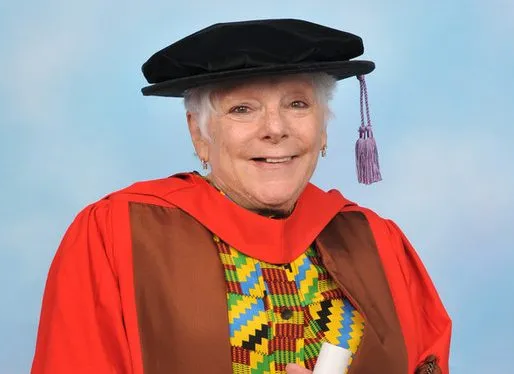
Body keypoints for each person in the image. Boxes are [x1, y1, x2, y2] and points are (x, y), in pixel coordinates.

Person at [30, 19, 451, 374]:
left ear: (323, 129)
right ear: (199, 134)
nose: (275, 129)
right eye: (242, 109)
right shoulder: (117, 233)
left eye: (298, 104)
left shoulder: (377, 242)